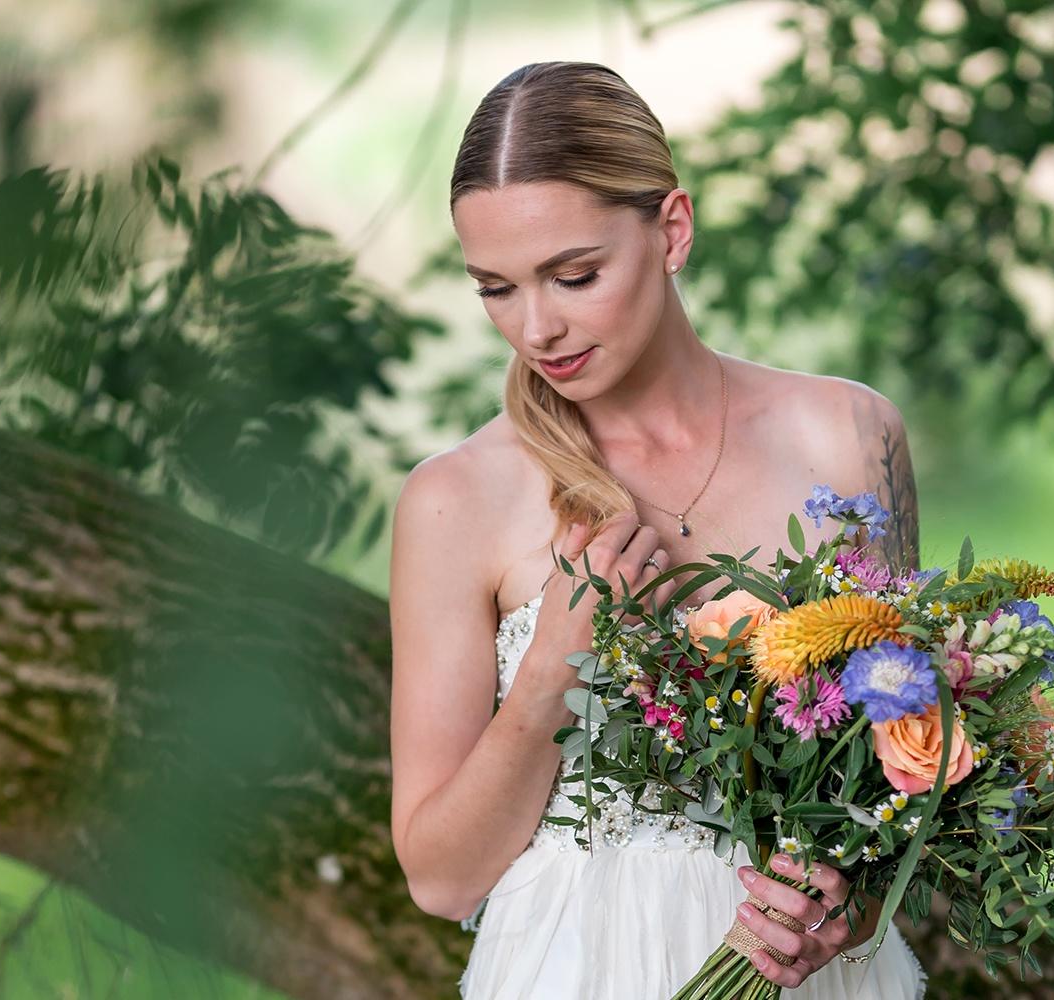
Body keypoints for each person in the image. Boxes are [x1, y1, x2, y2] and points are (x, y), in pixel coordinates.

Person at [389, 61, 927, 999]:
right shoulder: (455, 501)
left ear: (672, 229)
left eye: (574, 275)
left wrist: (851, 908)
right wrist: (557, 662)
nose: (538, 329)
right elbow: (439, 878)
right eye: (495, 289)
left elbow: (911, 778)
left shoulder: (850, 438)